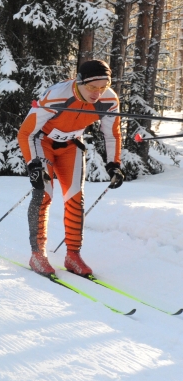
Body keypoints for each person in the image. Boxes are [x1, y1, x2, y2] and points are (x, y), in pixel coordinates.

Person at [17, 60, 124, 277]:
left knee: (75, 198)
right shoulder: (56, 95)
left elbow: (112, 133)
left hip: (71, 145)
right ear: (79, 82)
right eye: (92, 87)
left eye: (102, 87)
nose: (97, 93)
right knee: (44, 194)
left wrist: (114, 164)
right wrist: (33, 165)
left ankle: (72, 255)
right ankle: (37, 254)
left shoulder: (109, 99)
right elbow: (26, 133)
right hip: (42, 142)